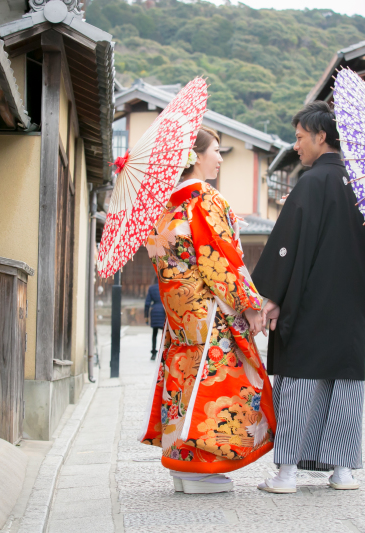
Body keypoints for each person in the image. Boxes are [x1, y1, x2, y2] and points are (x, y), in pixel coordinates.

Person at [139, 126, 276, 494]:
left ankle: (183, 466)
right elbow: (221, 260)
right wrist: (249, 305)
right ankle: (201, 467)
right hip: (211, 311)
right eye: (216, 150)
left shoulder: (166, 207)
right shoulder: (205, 199)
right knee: (217, 386)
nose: (219, 158)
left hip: (180, 318)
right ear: (195, 156)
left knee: (184, 385)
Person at [248, 101, 365, 494]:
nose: (296, 145)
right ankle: (343, 471)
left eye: (300, 137)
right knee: (344, 383)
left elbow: (289, 247)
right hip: (350, 303)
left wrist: (272, 295)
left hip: (311, 301)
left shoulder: (312, 183)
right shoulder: (362, 186)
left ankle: (287, 474)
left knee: (300, 381)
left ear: (321, 136)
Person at [144, 281, 166, 360]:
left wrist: (146, 316)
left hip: (154, 311)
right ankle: (164, 352)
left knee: (154, 334)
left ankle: (153, 353)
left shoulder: (152, 288)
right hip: (164, 311)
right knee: (165, 334)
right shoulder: (165, 287)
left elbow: (147, 303)